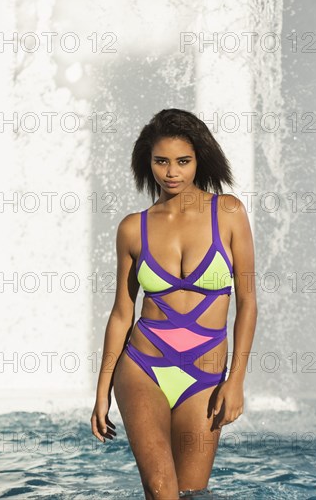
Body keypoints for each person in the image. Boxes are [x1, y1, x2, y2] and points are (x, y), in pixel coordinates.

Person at [91, 108, 258, 499]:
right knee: (161, 487)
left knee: (192, 492)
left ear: (199, 159)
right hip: (142, 366)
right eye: (161, 161)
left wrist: (236, 381)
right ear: (147, 162)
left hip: (205, 375)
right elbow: (121, 313)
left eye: (183, 161)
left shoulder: (229, 212)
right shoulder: (134, 227)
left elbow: (248, 302)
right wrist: (102, 391)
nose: (171, 172)